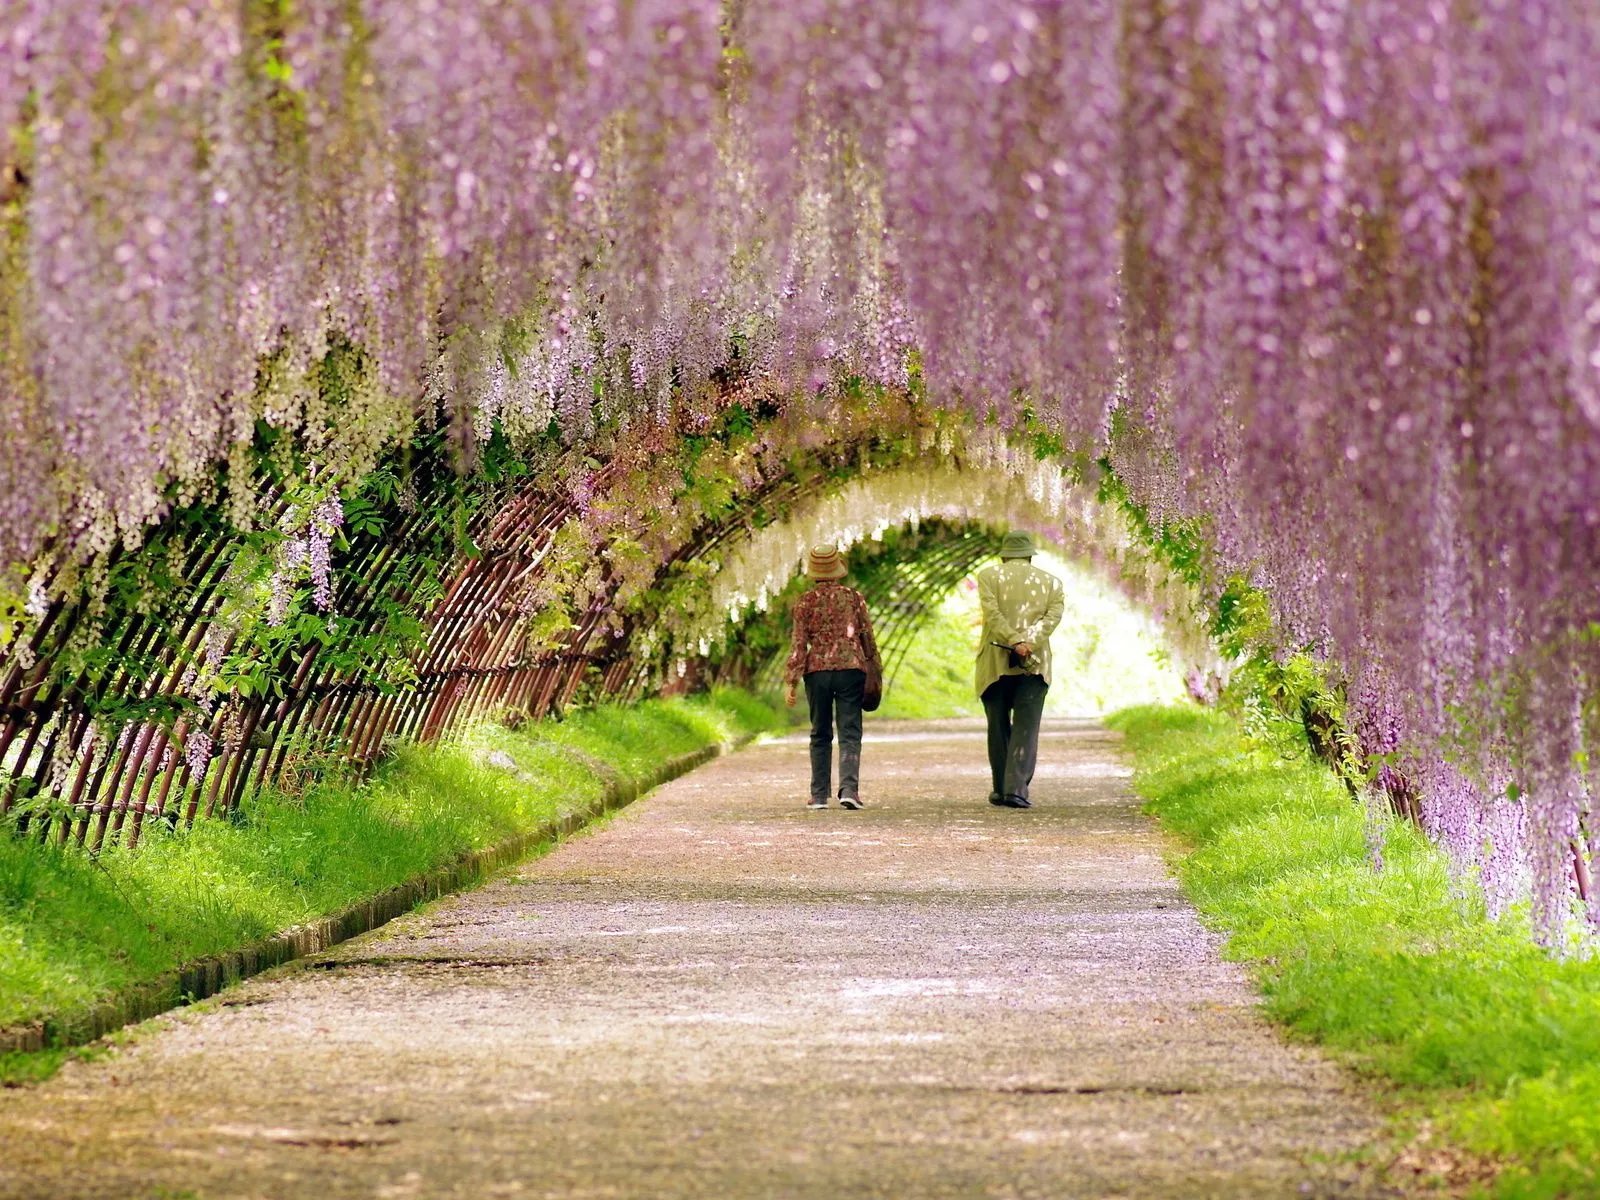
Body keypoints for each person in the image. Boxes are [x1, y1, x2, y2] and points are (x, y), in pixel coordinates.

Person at [785, 543, 881, 810]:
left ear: (814, 572)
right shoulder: (853, 597)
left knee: (820, 733)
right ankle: (849, 790)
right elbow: (867, 637)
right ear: (838, 571)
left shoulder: (805, 601)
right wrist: (876, 669)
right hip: (851, 669)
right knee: (849, 731)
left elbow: (798, 644)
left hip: (816, 671)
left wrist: (791, 680)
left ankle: (818, 795)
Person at [974, 531, 1064, 809]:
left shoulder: (988, 576)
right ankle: (1016, 789)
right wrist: (1028, 643)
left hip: (995, 661)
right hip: (1034, 664)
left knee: (997, 725)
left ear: (1004, 555)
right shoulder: (1052, 582)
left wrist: (1012, 641)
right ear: (1029, 555)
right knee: (1026, 727)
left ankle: (1001, 790)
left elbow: (992, 614)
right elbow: (1053, 618)